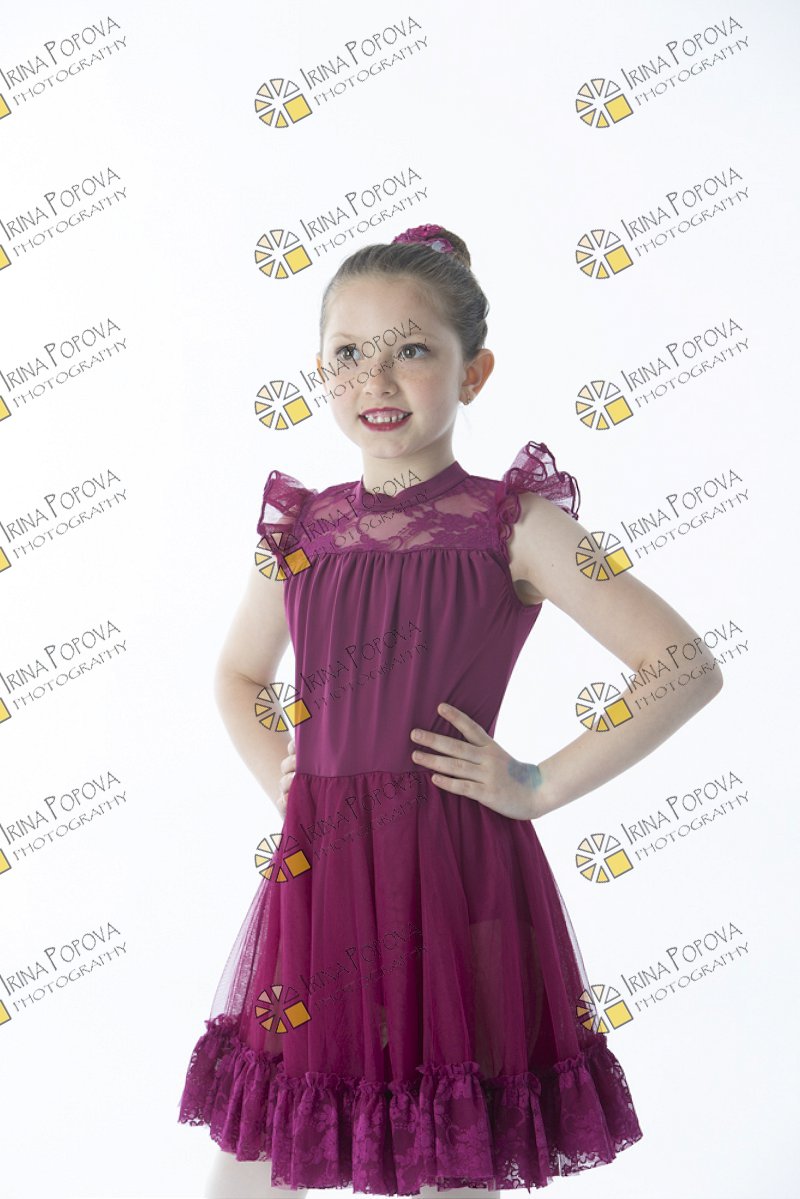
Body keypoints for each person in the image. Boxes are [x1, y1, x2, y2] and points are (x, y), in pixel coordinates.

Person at [177, 223, 724, 1198]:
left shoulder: (513, 524)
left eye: (413, 350)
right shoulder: (302, 531)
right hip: (323, 880)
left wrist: (537, 783)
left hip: (456, 869)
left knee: (449, 1149)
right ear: (320, 370)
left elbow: (680, 664)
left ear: (473, 373)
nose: (377, 379)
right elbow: (237, 676)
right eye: (349, 353)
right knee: (256, 1162)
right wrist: (291, 785)